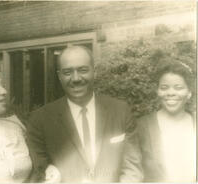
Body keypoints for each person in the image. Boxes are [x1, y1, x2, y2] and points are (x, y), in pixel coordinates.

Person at [26, 46, 133, 182]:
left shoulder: (120, 111)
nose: (76, 78)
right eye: (67, 72)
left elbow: (131, 168)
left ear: (94, 72)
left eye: (82, 70)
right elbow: (42, 172)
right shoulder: (40, 120)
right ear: (59, 76)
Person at [120, 61, 196, 182]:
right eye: (164, 88)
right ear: (158, 91)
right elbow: (132, 171)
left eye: (178, 88)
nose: (170, 93)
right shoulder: (141, 126)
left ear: (189, 93)